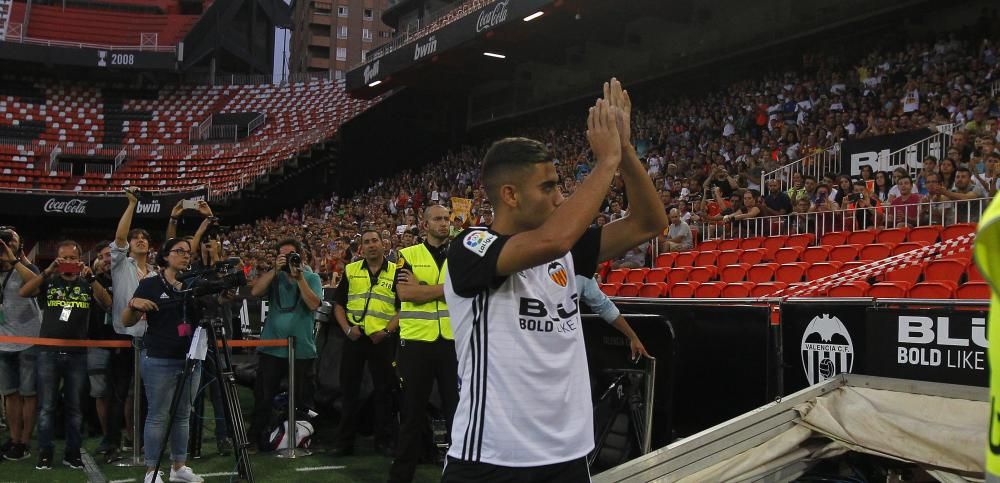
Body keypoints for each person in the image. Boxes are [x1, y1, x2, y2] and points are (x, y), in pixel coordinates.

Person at [442, 79, 668, 481]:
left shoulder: (565, 249)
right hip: (493, 457)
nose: (560, 197)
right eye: (548, 187)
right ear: (510, 195)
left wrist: (627, 153)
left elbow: (650, 222)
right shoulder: (471, 246)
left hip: (568, 454)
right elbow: (554, 238)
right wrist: (605, 163)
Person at [19, 240, 111, 470]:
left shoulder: (87, 283)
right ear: (57, 260)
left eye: (72, 258)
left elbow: (108, 304)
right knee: (47, 406)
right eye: (64, 258)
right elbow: (25, 292)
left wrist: (91, 277)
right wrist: (48, 270)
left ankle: (72, 452)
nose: (69, 262)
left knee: (75, 407)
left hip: (78, 354)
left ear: (80, 260)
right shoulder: (50, 281)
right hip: (48, 352)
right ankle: (45, 452)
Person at [122, 238, 204, 483]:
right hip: (159, 357)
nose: (185, 255)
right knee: (157, 415)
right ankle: (152, 471)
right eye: (179, 251)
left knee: (183, 415)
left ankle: (179, 466)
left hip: (190, 357)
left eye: (188, 252)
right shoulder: (149, 284)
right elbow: (126, 321)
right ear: (166, 256)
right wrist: (133, 304)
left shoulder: (194, 284)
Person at [388, 205, 458, 483]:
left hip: (452, 343)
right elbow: (406, 293)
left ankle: (459, 474)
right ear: (425, 224)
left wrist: (424, 290)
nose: (444, 223)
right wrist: (450, 290)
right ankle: (401, 476)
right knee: (412, 415)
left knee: (458, 414)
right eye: (438, 219)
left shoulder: (460, 253)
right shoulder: (406, 255)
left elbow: (467, 289)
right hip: (416, 342)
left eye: (447, 219)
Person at [248, 238, 322, 451]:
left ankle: (302, 436)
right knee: (263, 396)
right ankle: (256, 437)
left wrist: (299, 277)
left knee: (302, 399)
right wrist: (274, 269)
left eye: (292, 255)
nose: (289, 259)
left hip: (302, 350)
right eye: (284, 255)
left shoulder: (311, 277)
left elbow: (313, 303)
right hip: (272, 348)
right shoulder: (274, 278)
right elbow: (255, 292)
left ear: (301, 256)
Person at [330, 230, 399, 457]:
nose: (371, 245)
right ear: (361, 248)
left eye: (374, 241)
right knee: (349, 391)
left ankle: (384, 441)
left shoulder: (397, 272)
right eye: (366, 242)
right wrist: (348, 329)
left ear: (383, 244)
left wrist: (387, 331)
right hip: (355, 339)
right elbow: (338, 305)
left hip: (383, 340)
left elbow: (404, 308)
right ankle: (343, 442)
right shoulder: (351, 270)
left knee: (384, 392)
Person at [0, 228, 41, 461]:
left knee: (29, 393)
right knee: (10, 394)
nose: (6, 243)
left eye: (11, 239)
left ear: (20, 245)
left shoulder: (27, 267)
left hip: (28, 340)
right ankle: (14, 439)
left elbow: (35, 285)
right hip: (3, 341)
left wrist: (13, 260)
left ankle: (25, 441)